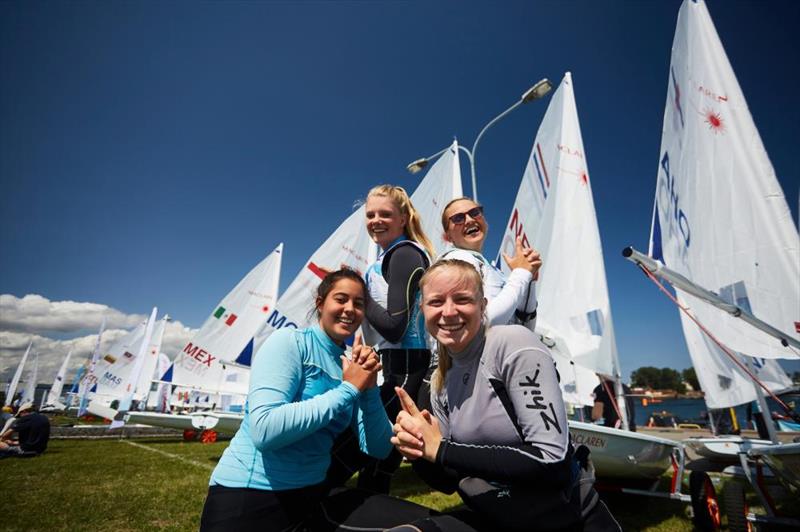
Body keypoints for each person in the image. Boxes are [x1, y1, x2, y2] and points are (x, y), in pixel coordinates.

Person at [389, 259, 620, 531]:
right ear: (422, 309)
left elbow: (551, 459)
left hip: (569, 520)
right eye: (436, 302)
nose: (449, 312)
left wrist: (441, 449)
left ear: (483, 306)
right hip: (497, 516)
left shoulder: (512, 344)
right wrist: (419, 450)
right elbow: (448, 481)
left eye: (462, 299)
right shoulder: (441, 380)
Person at [200, 269, 393, 532]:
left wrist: (368, 388)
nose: (350, 309)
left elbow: (379, 448)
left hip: (311, 495)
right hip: (249, 497)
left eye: (358, 304)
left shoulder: (352, 363)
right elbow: (264, 430)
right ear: (320, 303)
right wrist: (348, 388)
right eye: (341, 299)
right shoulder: (289, 342)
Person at [354, 184, 436, 493]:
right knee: (382, 453)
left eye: (385, 214)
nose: (375, 220)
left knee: (375, 453)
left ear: (403, 218)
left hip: (407, 364)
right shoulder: (391, 255)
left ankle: (362, 515)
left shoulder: (403, 254)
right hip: (398, 362)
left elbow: (396, 326)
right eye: (370, 214)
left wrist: (359, 294)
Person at [438, 197, 540, 327]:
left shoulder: (489, 268)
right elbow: (479, 324)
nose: (469, 220)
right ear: (448, 236)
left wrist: (529, 280)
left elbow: (525, 327)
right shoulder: (455, 261)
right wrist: (521, 273)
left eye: (475, 212)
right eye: (458, 218)